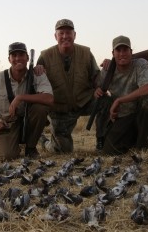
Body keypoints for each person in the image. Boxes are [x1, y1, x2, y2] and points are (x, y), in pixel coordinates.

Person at [0, 42, 54, 160]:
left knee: (41, 108)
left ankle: (31, 148)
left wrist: (20, 97)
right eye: (14, 55)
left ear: (27, 58)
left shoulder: (37, 74)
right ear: (9, 59)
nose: (17, 58)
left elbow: (49, 99)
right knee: (8, 156)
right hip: (8, 123)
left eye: (21, 55)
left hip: (29, 120)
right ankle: (12, 143)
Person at [36, 18, 100, 153]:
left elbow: (96, 76)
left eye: (68, 33)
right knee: (62, 150)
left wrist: (98, 88)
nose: (65, 36)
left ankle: (103, 142)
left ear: (74, 35)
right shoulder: (45, 56)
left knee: (106, 102)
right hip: (60, 108)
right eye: (61, 33)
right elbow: (38, 85)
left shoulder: (86, 53)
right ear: (55, 36)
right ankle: (45, 142)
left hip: (84, 101)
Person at [95, 35, 148, 155]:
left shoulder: (141, 63)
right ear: (113, 53)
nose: (122, 54)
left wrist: (119, 100)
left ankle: (144, 147)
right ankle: (132, 139)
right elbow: (98, 88)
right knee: (108, 152)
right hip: (123, 116)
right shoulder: (107, 70)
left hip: (140, 114)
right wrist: (97, 91)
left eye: (125, 50)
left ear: (131, 52)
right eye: (118, 50)